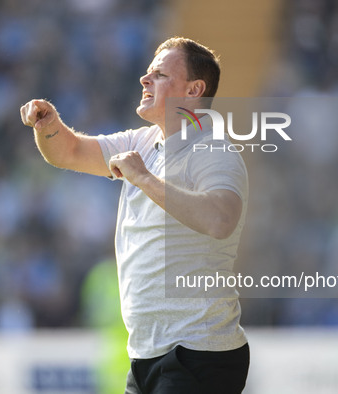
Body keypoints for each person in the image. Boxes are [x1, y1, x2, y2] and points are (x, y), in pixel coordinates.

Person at [20, 36, 249, 394]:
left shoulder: (213, 149)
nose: (145, 80)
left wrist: (143, 178)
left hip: (197, 352)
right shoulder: (141, 142)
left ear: (193, 90)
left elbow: (220, 219)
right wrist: (48, 125)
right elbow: (69, 151)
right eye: (147, 72)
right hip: (148, 356)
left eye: (159, 74)